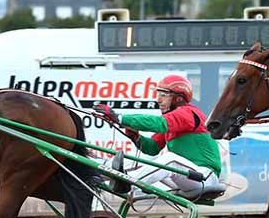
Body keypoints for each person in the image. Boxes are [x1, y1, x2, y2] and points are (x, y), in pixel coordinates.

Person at [93, 74, 222, 197]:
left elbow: (159, 123)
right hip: (188, 178)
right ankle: (99, 169)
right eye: (158, 94)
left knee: (170, 159)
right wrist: (135, 137)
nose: (158, 100)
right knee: (139, 161)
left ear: (179, 98)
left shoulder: (188, 113)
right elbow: (152, 148)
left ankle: (127, 182)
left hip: (205, 178)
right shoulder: (174, 121)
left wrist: (119, 118)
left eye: (163, 95)